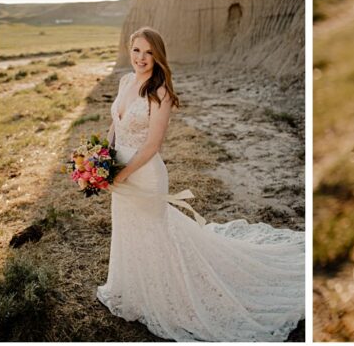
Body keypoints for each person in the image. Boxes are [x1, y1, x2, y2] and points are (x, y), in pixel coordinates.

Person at [98, 27, 304, 341]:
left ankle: (168, 295)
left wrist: (122, 175)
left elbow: (153, 145)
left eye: (149, 52)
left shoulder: (161, 91)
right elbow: (116, 122)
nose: (141, 58)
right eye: (137, 50)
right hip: (118, 169)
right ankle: (135, 290)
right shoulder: (126, 81)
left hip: (144, 174)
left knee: (155, 232)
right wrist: (101, 158)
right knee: (128, 229)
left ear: (158, 56)